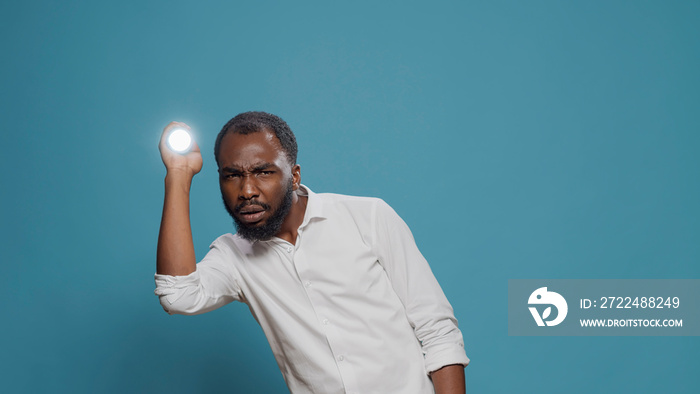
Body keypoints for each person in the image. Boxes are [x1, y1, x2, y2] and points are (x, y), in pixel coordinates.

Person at [155, 112, 470, 393]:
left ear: (294, 175)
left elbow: (437, 330)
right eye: (232, 175)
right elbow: (178, 296)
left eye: (263, 172)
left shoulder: (369, 217)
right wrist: (179, 175)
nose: (247, 190)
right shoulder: (233, 255)